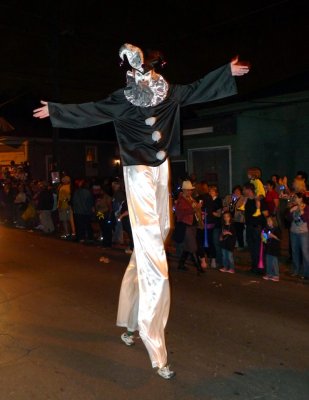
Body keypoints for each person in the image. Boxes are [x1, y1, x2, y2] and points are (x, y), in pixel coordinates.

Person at [33, 42, 249, 379]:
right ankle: (154, 345)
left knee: (152, 244)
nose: (149, 72)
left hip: (161, 171)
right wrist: (58, 111)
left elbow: (196, 89)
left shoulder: (168, 92)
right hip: (137, 173)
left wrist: (226, 72)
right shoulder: (123, 98)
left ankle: (130, 324)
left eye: (152, 67)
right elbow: (92, 110)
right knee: (154, 263)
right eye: (144, 67)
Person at [174, 180, 205, 274]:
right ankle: (199, 268)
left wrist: (199, 211)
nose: (189, 191)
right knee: (193, 247)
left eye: (190, 190)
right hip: (186, 225)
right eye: (188, 190)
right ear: (183, 190)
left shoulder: (190, 198)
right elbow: (181, 212)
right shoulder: (181, 200)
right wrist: (196, 208)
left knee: (188, 247)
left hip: (192, 225)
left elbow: (193, 210)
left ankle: (181, 264)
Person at [262, 216, 281, 282]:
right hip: (268, 248)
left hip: (274, 248)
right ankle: (269, 274)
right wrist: (264, 237)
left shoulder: (276, 229)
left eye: (270, 221)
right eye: (267, 221)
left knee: (274, 262)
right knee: (268, 261)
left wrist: (273, 236)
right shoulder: (266, 229)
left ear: (273, 221)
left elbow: (279, 238)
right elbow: (264, 240)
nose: (268, 222)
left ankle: (276, 275)